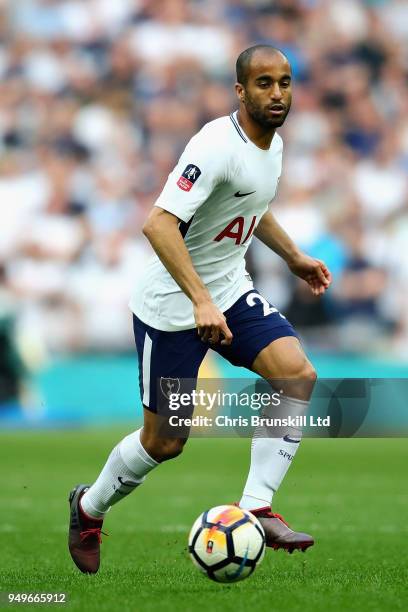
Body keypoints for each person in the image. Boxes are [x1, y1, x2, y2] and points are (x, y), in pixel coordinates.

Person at [68, 45, 332, 574]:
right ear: (240, 91)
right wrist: (200, 301)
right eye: (263, 83)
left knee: (296, 375)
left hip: (229, 291)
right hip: (172, 306)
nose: (277, 93)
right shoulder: (214, 145)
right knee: (165, 443)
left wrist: (295, 256)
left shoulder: (272, 145)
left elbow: (251, 204)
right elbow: (159, 224)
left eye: (284, 82)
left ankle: (257, 506)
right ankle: (88, 508)